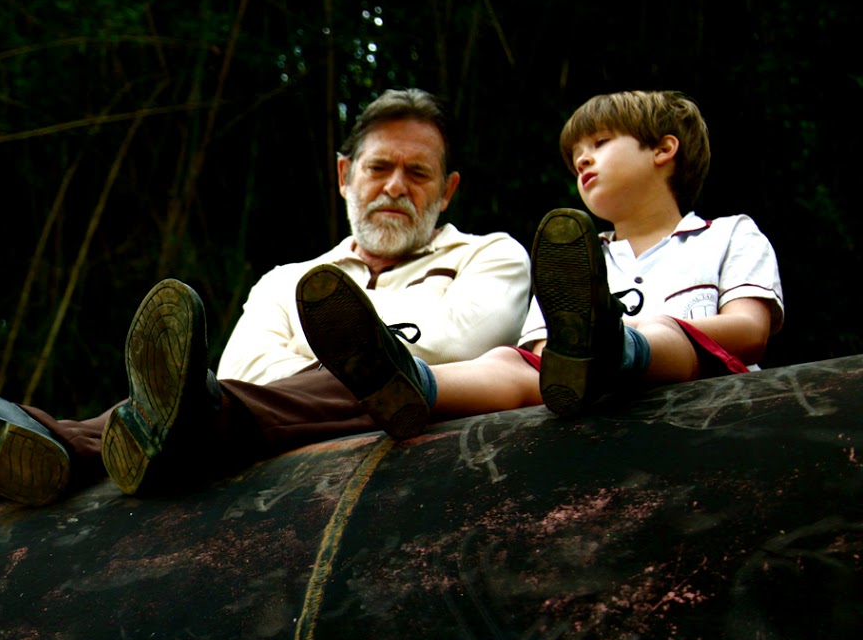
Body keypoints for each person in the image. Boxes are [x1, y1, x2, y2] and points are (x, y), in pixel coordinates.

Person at [0, 88, 532, 504]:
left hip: (410, 418)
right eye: (379, 167)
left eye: (419, 173)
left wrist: (333, 359)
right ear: (343, 176)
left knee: (363, 372)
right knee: (220, 400)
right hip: (277, 429)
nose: (395, 186)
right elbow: (243, 372)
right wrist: (330, 366)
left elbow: (458, 347)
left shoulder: (492, 255)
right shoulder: (287, 279)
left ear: (448, 190)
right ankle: (58, 446)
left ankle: (51, 439)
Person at [297, 90, 783, 439]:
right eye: (576, 157)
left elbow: (750, 330)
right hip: (592, 401)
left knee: (665, 331)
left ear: (663, 149)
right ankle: (407, 379)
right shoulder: (575, 253)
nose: (583, 161)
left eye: (599, 143)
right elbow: (541, 355)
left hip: (706, 398)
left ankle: (618, 346)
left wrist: (638, 334)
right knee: (507, 361)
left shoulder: (727, 234)